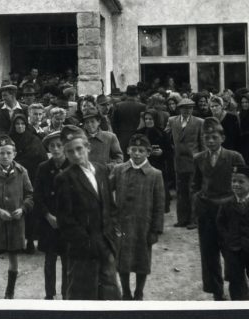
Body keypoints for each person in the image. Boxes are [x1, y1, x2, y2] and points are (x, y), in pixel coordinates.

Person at [55, 125, 121, 300]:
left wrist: (113, 233)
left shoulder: (101, 170)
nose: (76, 155)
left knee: (109, 289)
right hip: (83, 249)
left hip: (106, 242)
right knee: (83, 293)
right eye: (70, 152)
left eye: (79, 149)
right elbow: (65, 220)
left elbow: (109, 206)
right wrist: (86, 243)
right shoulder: (64, 178)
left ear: (88, 148)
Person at [192, 117, 245, 301]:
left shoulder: (234, 157)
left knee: (233, 253)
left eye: (214, 137)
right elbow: (195, 184)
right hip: (206, 213)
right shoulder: (198, 158)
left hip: (229, 212)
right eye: (207, 137)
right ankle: (217, 292)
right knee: (209, 254)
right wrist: (198, 202)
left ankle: (239, 293)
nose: (211, 141)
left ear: (222, 138)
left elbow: (244, 183)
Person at [0, 136, 34, 299]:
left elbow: (30, 194)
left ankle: (9, 292)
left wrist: (23, 208)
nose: (5, 156)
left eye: (8, 153)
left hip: (16, 221)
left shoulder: (22, 171)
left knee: (13, 256)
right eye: (1, 153)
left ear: (14, 154)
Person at [111, 134, 164, 300]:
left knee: (142, 260)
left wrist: (155, 229)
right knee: (122, 261)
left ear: (148, 152)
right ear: (127, 150)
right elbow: (107, 192)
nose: (137, 153)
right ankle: (126, 292)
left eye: (141, 150)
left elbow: (159, 204)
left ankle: (139, 292)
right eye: (133, 150)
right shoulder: (119, 170)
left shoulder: (155, 174)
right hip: (122, 226)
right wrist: (111, 219)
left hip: (144, 226)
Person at [216, 165, 249, 300]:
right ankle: (238, 306)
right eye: (233, 181)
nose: (236, 184)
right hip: (234, 249)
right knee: (235, 280)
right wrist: (227, 240)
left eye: (241, 181)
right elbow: (220, 224)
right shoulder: (226, 204)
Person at [34, 131, 69, 299]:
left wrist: (64, 219)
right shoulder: (43, 168)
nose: (55, 149)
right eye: (52, 146)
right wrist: (48, 215)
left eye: (59, 146)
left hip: (68, 223)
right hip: (48, 223)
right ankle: (49, 295)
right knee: (49, 260)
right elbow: (38, 196)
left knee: (68, 261)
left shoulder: (73, 167)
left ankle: (67, 294)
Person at [9, 113, 48, 254]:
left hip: (29, 179)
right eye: (17, 124)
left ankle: (30, 240)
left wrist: (18, 163)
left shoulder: (33, 140)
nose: (20, 127)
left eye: (22, 124)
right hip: (11, 181)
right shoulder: (9, 139)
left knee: (29, 209)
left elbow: (40, 158)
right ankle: (14, 242)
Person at [165, 98, 205, 229]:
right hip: (178, 160)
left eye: (190, 108)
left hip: (193, 161)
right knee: (180, 191)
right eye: (184, 108)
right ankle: (182, 219)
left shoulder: (199, 122)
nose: (187, 110)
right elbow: (166, 137)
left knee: (193, 190)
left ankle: (194, 220)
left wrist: (202, 159)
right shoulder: (172, 121)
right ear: (179, 109)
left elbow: (202, 143)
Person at [136, 109, 172, 212]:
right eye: (146, 119)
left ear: (155, 119)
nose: (148, 121)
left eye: (150, 119)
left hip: (159, 165)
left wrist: (162, 152)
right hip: (143, 165)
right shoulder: (139, 133)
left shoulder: (162, 133)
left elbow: (169, 151)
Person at [112, 84, 146, 156]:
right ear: (137, 95)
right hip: (137, 138)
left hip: (122, 137)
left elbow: (113, 123)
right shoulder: (142, 106)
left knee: (123, 159)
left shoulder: (118, 105)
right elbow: (143, 124)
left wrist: (117, 134)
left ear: (126, 94)